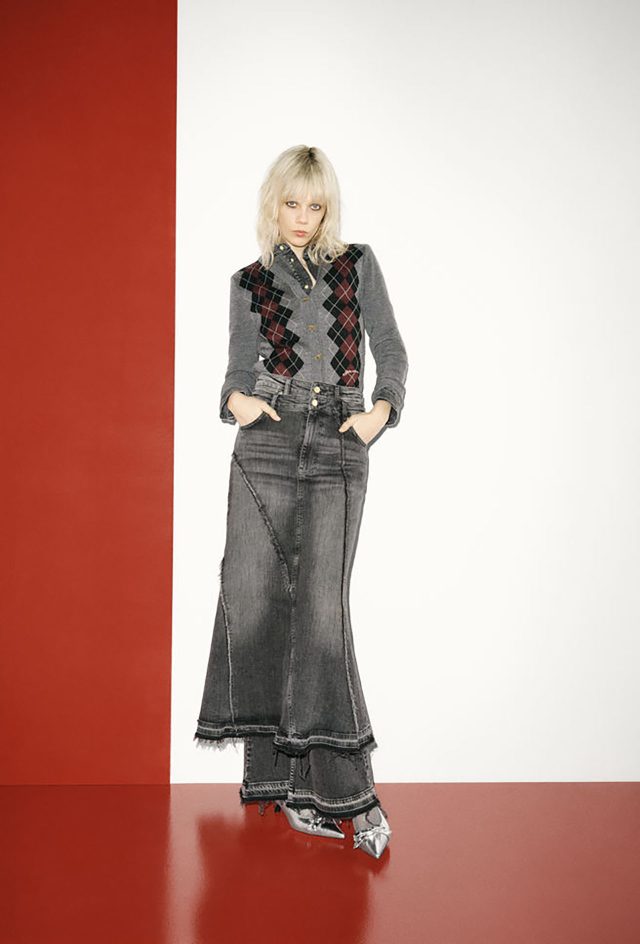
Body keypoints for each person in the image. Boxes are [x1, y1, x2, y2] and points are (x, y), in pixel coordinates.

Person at [194, 144, 408, 858]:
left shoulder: (357, 265)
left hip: (341, 438)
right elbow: (235, 371)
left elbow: (391, 349)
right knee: (256, 602)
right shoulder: (248, 282)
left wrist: (381, 411)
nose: (303, 217)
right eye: (292, 203)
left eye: (315, 206)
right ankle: (286, 787)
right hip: (269, 440)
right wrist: (237, 401)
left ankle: (346, 791)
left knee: (321, 614)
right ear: (274, 204)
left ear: (328, 209)